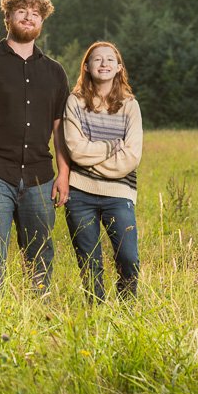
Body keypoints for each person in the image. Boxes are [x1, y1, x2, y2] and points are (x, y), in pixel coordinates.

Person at [0, 0, 70, 299]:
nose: (28, 17)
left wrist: (63, 174)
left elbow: (59, 129)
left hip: (40, 177)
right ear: (8, 16)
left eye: (35, 14)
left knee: (40, 255)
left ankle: (36, 316)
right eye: (21, 11)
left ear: (42, 23)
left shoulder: (54, 72)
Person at [62, 41, 143, 301]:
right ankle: (95, 314)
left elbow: (131, 157)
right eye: (97, 59)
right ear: (86, 66)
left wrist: (93, 158)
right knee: (89, 262)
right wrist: (112, 147)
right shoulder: (74, 102)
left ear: (119, 68)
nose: (104, 63)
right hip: (80, 194)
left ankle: (125, 313)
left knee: (128, 259)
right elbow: (75, 150)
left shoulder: (130, 106)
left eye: (110, 59)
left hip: (119, 194)